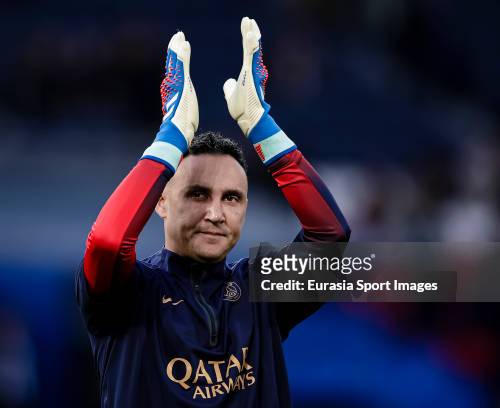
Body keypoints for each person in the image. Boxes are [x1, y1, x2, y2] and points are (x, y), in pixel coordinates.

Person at [76, 17, 350, 407]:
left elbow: (331, 238)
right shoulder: (129, 292)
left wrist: (259, 124)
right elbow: (107, 242)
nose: (216, 213)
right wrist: (171, 137)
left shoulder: (260, 292)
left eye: (231, 198)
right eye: (198, 194)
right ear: (160, 202)